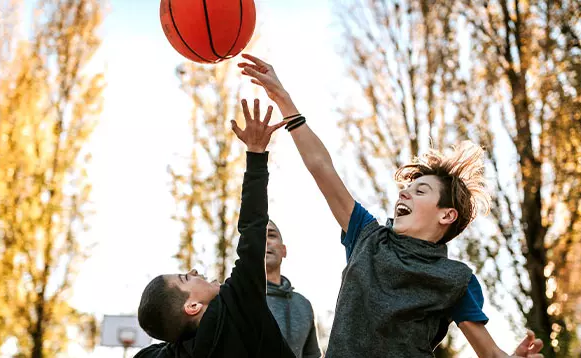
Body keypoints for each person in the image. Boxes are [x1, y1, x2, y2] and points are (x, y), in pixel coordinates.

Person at [238, 53, 544, 358]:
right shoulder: (367, 236)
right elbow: (322, 167)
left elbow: (490, 352)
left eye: (419, 191)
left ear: (446, 214)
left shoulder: (455, 279)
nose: (403, 195)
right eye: (405, 190)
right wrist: (283, 99)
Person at [134, 100, 294, 358]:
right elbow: (253, 228)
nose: (193, 270)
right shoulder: (237, 305)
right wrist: (255, 152)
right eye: (185, 278)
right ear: (193, 306)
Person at [265, 220, 322, 358]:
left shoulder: (303, 304)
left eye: (271, 235)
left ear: (284, 250)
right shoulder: (235, 298)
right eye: (258, 236)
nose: (264, 241)